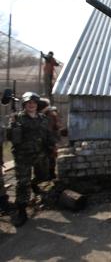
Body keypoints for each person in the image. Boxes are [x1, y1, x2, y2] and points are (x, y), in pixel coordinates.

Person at [7, 92, 55, 227]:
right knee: (22, 183)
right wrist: (13, 126)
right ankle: (21, 210)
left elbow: (47, 135)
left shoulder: (43, 118)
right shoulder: (18, 118)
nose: (31, 105)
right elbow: (12, 138)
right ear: (24, 105)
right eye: (28, 103)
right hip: (23, 157)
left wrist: (51, 147)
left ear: (37, 105)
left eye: (33, 103)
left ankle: (34, 185)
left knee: (43, 176)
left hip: (40, 155)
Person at [37, 98, 66, 180]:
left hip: (50, 139)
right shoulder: (44, 115)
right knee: (47, 158)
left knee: (50, 157)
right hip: (46, 139)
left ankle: (50, 174)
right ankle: (47, 175)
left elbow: (56, 126)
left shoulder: (50, 114)